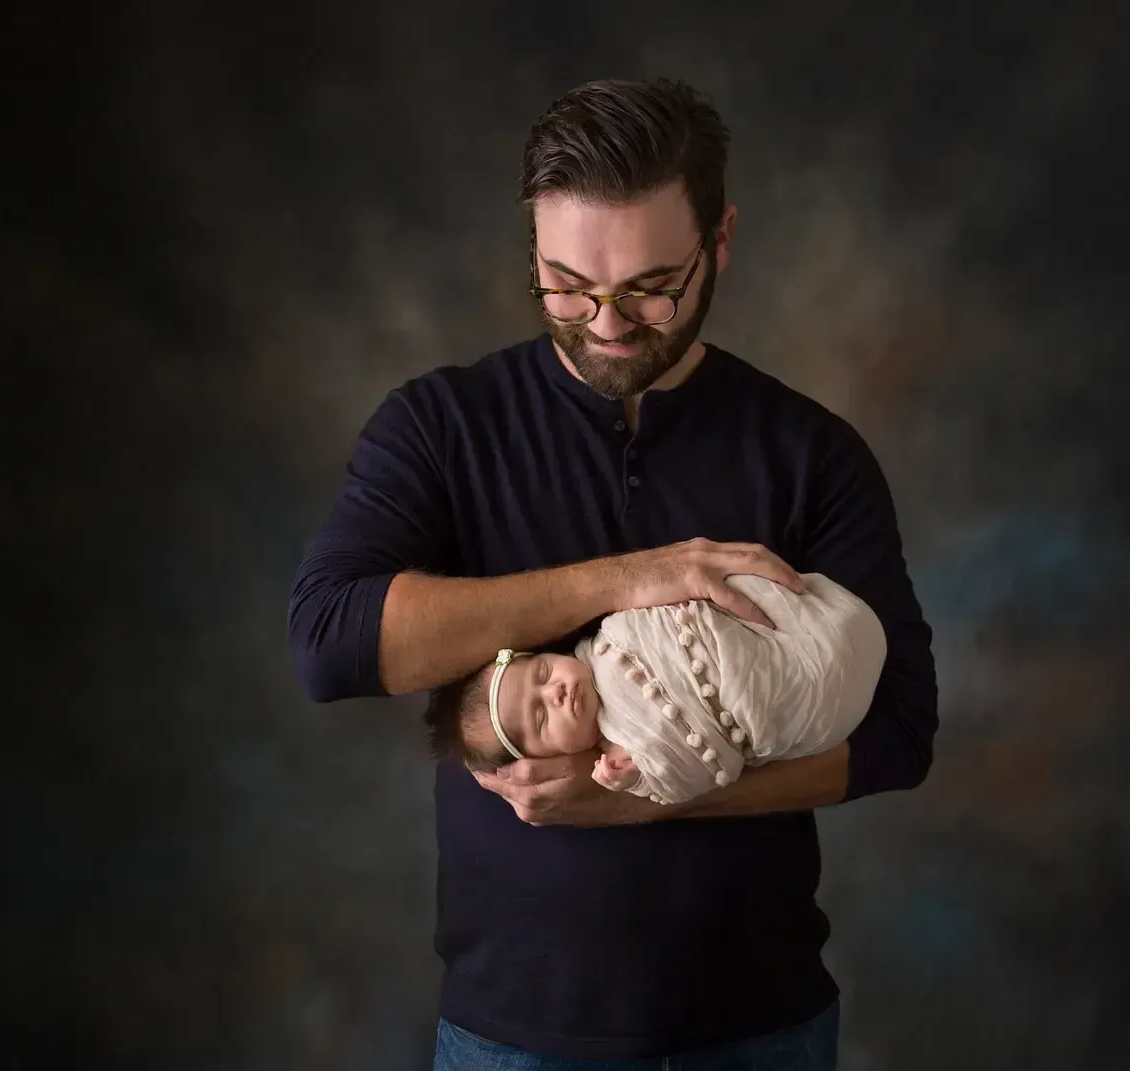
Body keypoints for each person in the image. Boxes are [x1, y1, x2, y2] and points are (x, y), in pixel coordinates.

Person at [288, 77, 938, 1068]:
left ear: (719, 241)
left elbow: (900, 733)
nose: (605, 323)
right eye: (566, 286)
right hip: (513, 1034)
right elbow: (328, 642)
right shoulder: (441, 427)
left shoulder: (811, 453)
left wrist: (651, 794)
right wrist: (623, 579)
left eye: (649, 287)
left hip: (760, 1028)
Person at [428, 571, 889, 807]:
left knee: (765, 612)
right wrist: (633, 778)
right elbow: (688, 776)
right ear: (541, 760)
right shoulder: (619, 750)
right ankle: (826, 676)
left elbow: (668, 606)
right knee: (796, 696)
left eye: (544, 674)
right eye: (541, 718)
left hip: (735, 644)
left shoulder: (608, 635)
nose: (557, 695)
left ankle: (829, 637)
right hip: (760, 707)